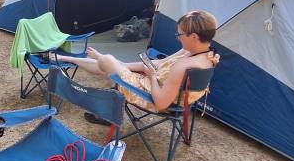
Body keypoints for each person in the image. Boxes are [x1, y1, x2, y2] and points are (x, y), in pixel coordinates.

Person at [56, 10, 220, 113]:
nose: (178, 38)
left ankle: (72, 58)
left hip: (149, 96)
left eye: (179, 35)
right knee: (110, 63)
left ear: (194, 36)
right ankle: (68, 58)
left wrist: (152, 76)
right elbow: (160, 64)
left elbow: (161, 104)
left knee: (106, 60)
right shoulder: (208, 56)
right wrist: (128, 66)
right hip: (155, 83)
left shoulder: (184, 66)